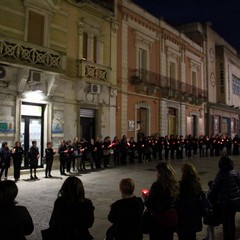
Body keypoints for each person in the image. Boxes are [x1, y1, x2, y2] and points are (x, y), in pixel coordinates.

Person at [142, 162, 179, 240]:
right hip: (172, 217)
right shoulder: (175, 184)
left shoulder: (157, 185)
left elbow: (149, 203)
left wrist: (145, 197)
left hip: (159, 219)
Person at [207, 155, 240, 240]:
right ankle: (232, 237)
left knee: (225, 223)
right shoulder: (235, 173)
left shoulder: (221, 174)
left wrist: (209, 195)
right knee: (231, 221)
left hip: (224, 202)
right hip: (234, 202)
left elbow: (214, 187)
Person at [177, 163, 203, 240]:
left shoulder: (181, 185)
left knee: (182, 236)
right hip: (193, 216)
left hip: (183, 217)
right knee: (192, 236)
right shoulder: (196, 184)